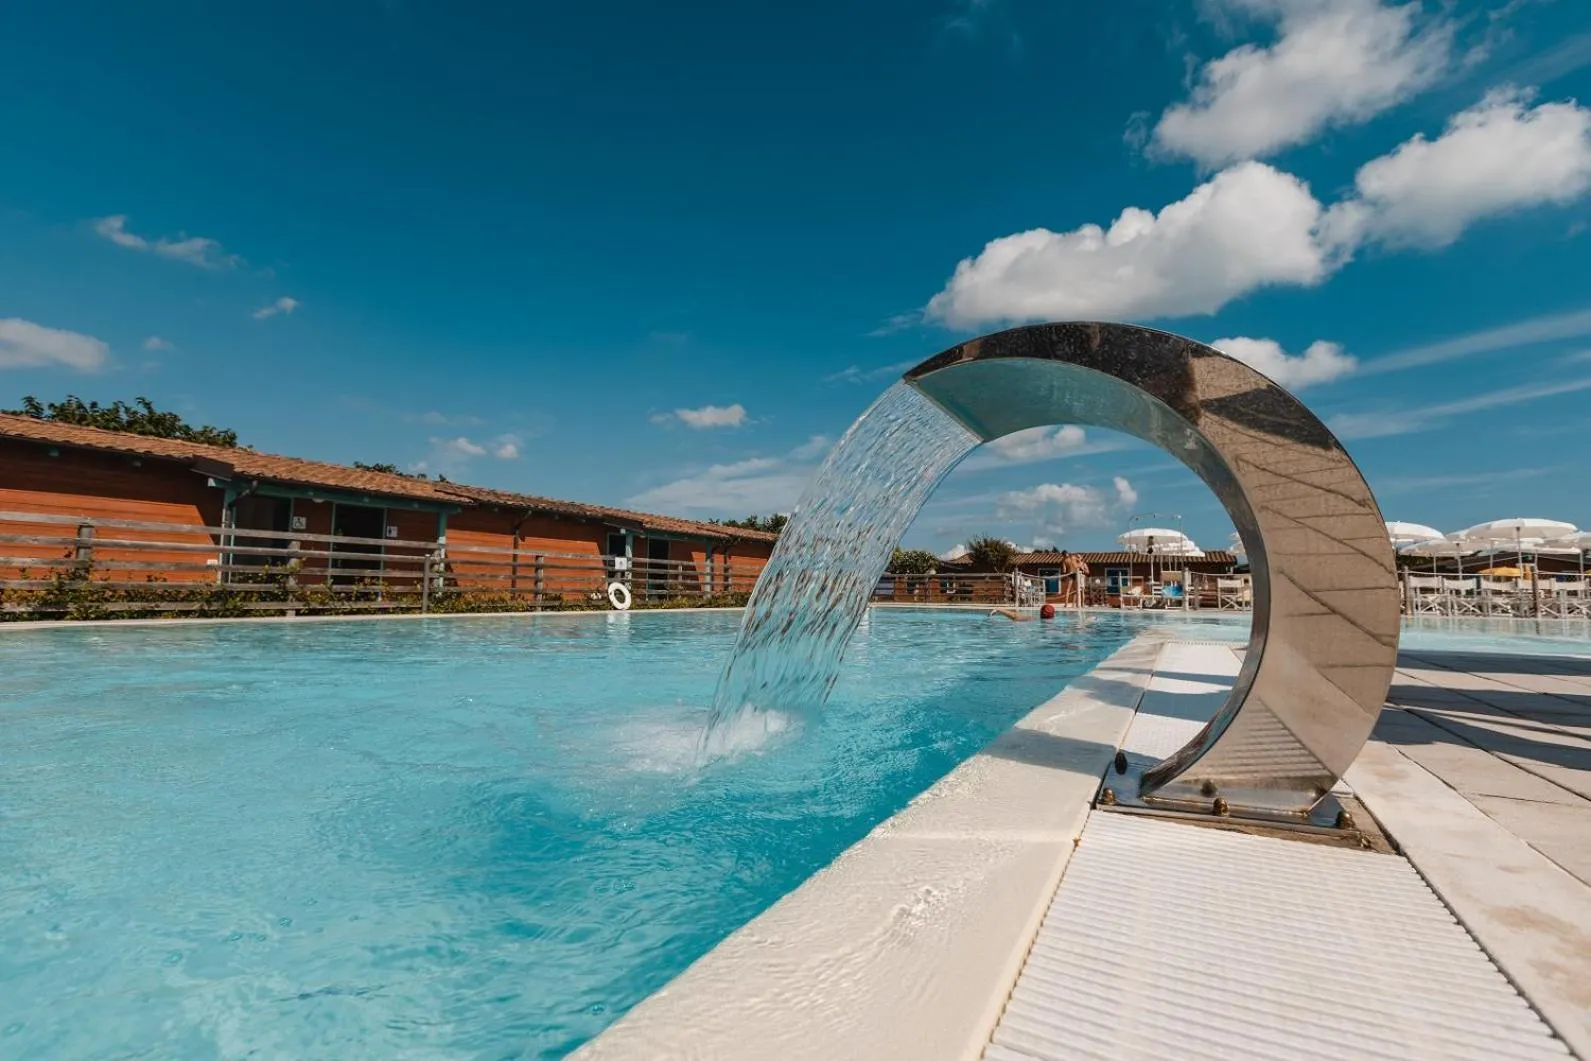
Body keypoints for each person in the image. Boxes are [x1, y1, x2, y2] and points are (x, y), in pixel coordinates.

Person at [989, 603, 1056, 621]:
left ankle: (998, 609)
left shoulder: (1032, 619)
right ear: (1053, 615)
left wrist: (999, 609)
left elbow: (1015, 616)